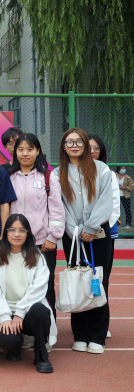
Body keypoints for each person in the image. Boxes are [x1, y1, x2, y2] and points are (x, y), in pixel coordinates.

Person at [53, 128, 113, 354]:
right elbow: (60, 206)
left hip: (98, 233)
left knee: (98, 281)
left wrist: (91, 227)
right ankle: (80, 334)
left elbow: (105, 201)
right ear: (63, 147)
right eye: (69, 142)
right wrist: (75, 231)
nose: (74, 145)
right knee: (77, 279)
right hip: (73, 235)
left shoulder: (101, 169)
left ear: (85, 145)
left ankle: (97, 336)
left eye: (79, 141)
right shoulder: (57, 173)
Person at [0, 214, 56, 373]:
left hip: (29, 310)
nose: (16, 234)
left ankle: (41, 356)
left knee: (41, 312)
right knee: (7, 340)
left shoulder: (37, 256)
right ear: (6, 232)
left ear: (28, 234)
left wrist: (20, 312)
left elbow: (39, 288)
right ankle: (15, 348)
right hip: (6, 310)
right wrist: (5, 316)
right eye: (12, 230)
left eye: (21, 230)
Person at [9, 133, 65, 318]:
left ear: (38, 151)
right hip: (15, 242)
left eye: (30, 149)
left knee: (45, 286)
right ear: (15, 152)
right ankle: (21, 327)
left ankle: (48, 328)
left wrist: (53, 237)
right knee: (17, 285)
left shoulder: (48, 177)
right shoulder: (8, 177)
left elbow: (57, 210)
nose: (25, 153)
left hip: (43, 243)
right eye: (21, 149)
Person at [88, 134, 119, 340]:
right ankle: (83, 323)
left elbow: (113, 206)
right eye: (88, 147)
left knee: (101, 279)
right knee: (81, 278)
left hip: (102, 234)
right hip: (81, 234)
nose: (92, 151)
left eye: (96, 148)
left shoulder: (108, 173)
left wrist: (97, 228)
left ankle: (100, 324)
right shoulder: (73, 172)